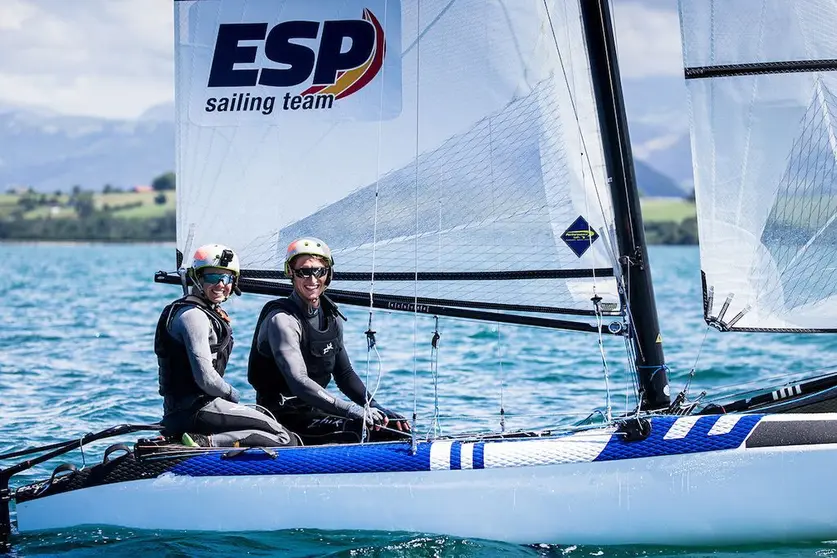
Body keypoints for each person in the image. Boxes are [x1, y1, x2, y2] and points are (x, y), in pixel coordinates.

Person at [248, 237, 410, 445]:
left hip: (316, 412)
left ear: (328, 274)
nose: (312, 279)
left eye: (319, 271)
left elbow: (344, 374)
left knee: (390, 427)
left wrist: (374, 406)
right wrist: (351, 410)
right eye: (304, 272)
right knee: (360, 432)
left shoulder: (330, 316)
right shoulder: (282, 320)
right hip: (283, 418)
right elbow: (298, 382)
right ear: (291, 273)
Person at [155, 243, 297, 447]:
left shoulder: (202, 311)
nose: (221, 284)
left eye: (227, 278)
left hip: (188, 410)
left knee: (265, 426)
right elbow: (206, 380)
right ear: (197, 277)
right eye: (213, 277)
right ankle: (203, 443)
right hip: (195, 410)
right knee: (284, 438)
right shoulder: (193, 315)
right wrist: (232, 394)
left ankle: (203, 442)